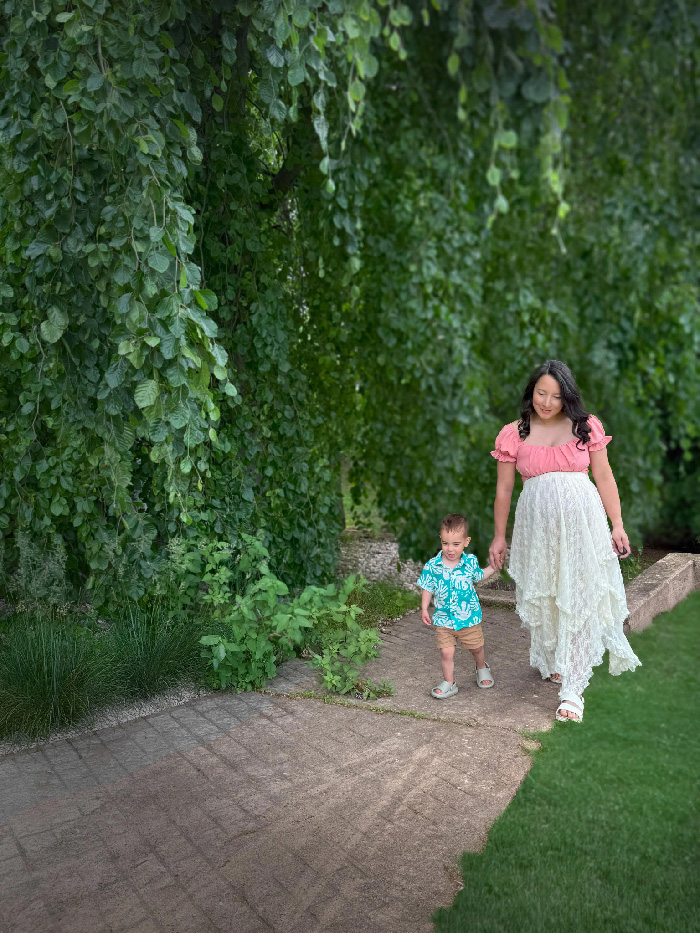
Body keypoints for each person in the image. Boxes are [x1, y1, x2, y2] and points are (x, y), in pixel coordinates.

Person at [489, 360, 641, 723]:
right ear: (531, 392)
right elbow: (504, 489)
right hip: (536, 528)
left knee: (578, 593)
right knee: (547, 590)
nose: (547, 402)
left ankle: (573, 689)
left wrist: (616, 525)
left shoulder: (585, 427)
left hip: (582, 523)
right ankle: (556, 657)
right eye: (541, 393)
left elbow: (603, 476)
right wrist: (498, 536)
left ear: (567, 396)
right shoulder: (514, 433)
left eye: (556, 396)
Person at [418, 513, 497, 699]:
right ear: (441, 540)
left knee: (476, 648)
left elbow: (479, 576)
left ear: (466, 542)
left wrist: (493, 567)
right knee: (446, 652)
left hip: (468, 618)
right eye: (445, 543)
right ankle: (449, 682)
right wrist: (424, 608)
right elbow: (427, 587)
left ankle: (481, 667)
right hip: (444, 620)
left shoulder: (469, 563)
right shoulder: (433, 566)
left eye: (455, 544)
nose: (450, 549)